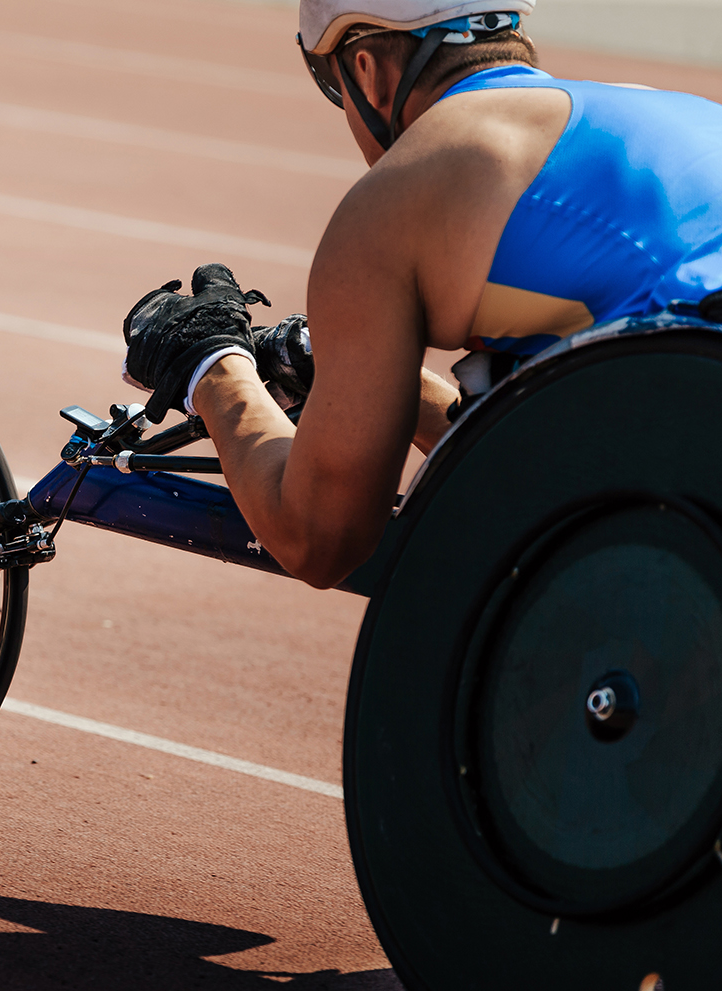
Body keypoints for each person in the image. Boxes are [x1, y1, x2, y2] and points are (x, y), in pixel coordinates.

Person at [120, 0, 722, 588]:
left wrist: (212, 367)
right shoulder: (680, 111)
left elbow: (319, 538)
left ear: (365, 71)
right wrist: (388, 388)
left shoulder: (400, 196)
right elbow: (552, 447)